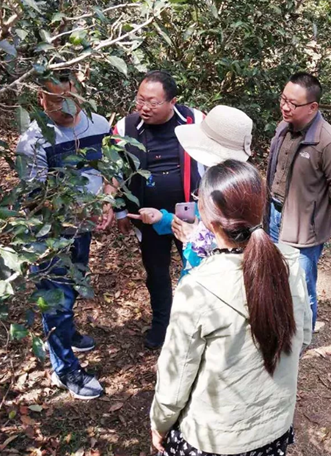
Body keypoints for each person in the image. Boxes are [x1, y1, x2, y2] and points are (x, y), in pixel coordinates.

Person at [150, 160, 312, 455]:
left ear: (208, 221)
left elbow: (176, 378)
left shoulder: (199, 286)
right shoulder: (291, 264)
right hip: (274, 427)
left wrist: (160, 422)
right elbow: (304, 336)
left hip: (215, 438)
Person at [16, 75, 110, 399]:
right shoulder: (33, 141)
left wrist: (107, 200)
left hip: (83, 229)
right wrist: (78, 211)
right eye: (57, 101)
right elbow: (34, 200)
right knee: (56, 300)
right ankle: (65, 368)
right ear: (41, 100)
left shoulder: (99, 124)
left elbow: (109, 169)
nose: (67, 107)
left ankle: (66, 335)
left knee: (73, 284)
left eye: (72, 98)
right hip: (50, 234)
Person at [111, 71, 204, 350]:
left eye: (153, 102)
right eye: (140, 100)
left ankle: (195, 324)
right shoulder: (126, 127)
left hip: (189, 215)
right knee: (156, 271)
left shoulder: (195, 121)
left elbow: (213, 161)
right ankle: (162, 324)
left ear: (172, 101)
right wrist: (119, 211)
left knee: (196, 266)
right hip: (147, 217)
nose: (144, 107)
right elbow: (115, 170)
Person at [266, 72, 331, 330]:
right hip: (273, 216)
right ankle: (279, 329)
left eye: (293, 103)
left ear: (313, 107)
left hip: (304, 228)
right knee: (275, 277)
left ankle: (303, 336)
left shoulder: (329, 143)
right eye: (283, 99)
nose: (285, 107)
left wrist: (312, 207)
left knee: (302, 287)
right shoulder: (283, 128)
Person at [127, 104, 253, 275]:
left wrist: (193, 240)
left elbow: (216, 264)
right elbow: (202, 221)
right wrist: (164, 218)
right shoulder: (230, 180)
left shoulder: (229, 192)